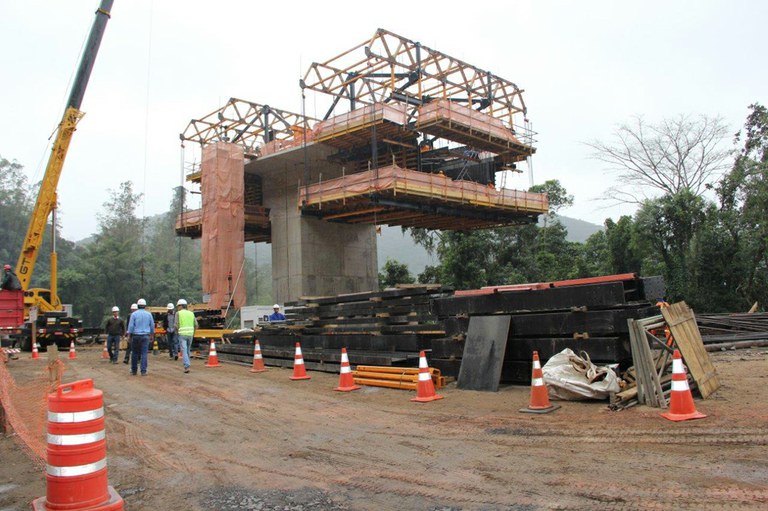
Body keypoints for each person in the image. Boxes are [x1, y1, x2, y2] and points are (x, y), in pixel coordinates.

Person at [126, 298, 154, 376]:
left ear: (138, 305)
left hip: (136, 336)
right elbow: (152, 326)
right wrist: (152, 335)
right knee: (144, 353)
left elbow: (131, 326)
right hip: (145, 336)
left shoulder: (134, 314)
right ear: (145, 306)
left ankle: (134, 370)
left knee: (134, 353)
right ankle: (143, 371)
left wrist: (129, 335)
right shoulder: (149, 314)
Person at [175, 298, 198, 374]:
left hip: (182, 334)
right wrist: (193, 333)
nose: (177, 307)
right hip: (190, 334)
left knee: (184, 350)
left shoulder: (178, 313)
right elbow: (196, 325)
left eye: (178, 306)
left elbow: (176, 325)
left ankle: (186, 366)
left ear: (181, 306)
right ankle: (187, 364)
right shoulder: (191, 313)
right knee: (187, 350)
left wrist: (177, 333)